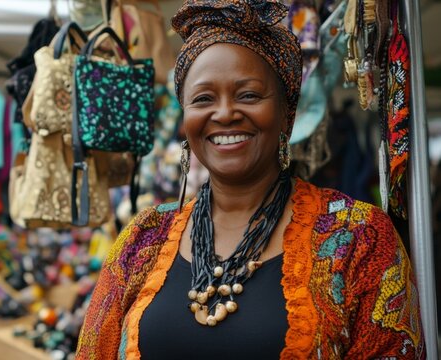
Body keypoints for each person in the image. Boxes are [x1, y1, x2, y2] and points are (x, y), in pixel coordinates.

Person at [75, 0, 425, 359]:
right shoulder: (144, 238)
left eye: (248, 95)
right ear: (186, 117)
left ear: (286, 114)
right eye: (203, 98)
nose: (225, 113)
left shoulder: (359, 239)